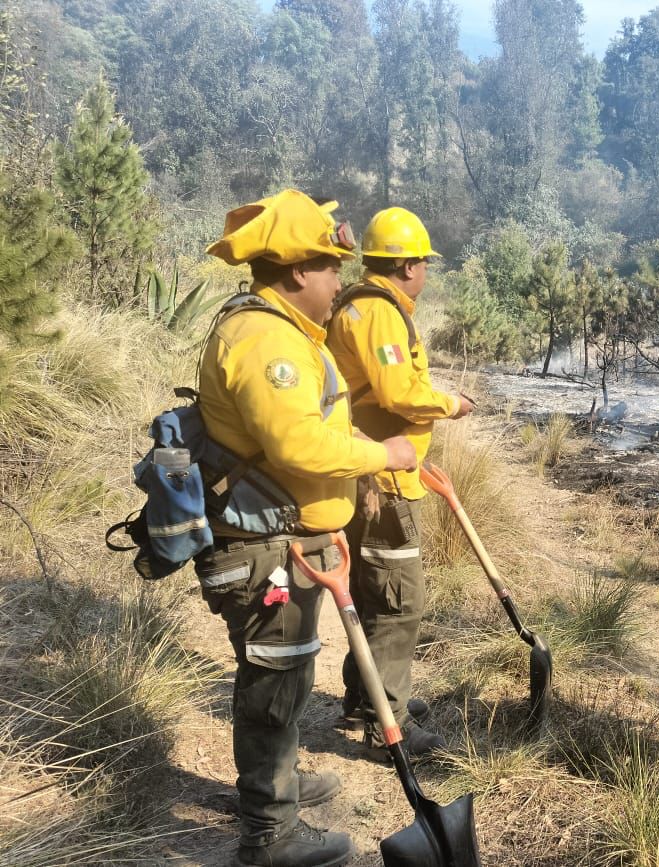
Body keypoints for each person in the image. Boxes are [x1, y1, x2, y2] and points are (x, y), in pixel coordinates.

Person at [197, 189, 417, 867]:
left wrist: (332, 523)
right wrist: (386, 454)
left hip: (290, 540)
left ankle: (278, 786)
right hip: (263, 552)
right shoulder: (267, 341)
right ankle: (270, 832)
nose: (338, 282)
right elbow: (300, 448)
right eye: (330, 267)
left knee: (284, 675)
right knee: (275, 681)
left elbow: (310, 436)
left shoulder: (285, 330)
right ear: (296, 271)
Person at [326, 206, 474, 762]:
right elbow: (397, 394)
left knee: (371, 589)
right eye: (425, 264)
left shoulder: (362, 306)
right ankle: (386, 722)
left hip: (375, 472)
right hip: (384, 480)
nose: (427, 273)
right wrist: (451, 404)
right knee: (397, 600)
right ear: (407, 265)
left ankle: (366, 695)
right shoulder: (380, 313)